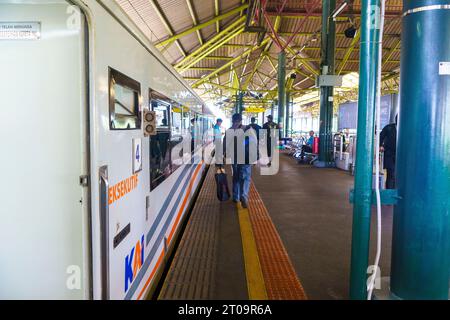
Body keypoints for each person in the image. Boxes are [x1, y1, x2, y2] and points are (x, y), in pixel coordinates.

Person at [223, 113, 257, 208]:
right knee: (245, 177)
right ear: (241, 120)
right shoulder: (248, 129)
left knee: (236, 176)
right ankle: (244, 196)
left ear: (232, 120)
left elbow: (224, 145)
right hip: (247, 157)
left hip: (235, 158)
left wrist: (222, 156)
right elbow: (254, 143)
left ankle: (236, 197)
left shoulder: (229, 131)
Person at [380, 115, 397, 189]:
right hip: (389, 154)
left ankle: (395, 190)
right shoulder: (389, 127)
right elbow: (381, 136)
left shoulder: (406, 129)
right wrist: (381, 145)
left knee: (396, 175)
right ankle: (389, 191)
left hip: (400, 155)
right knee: (391, 174)